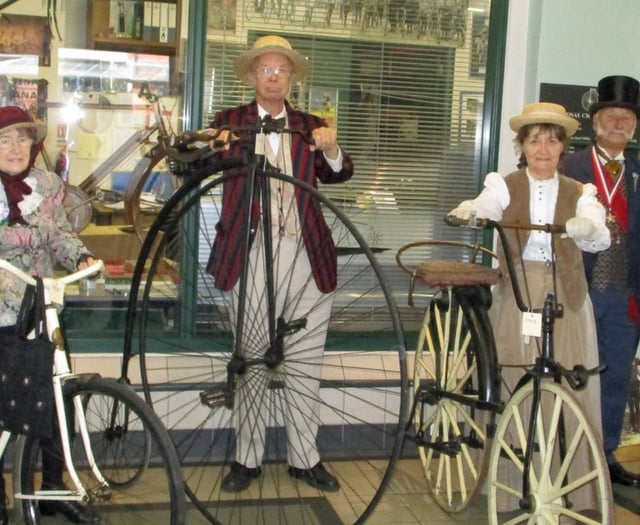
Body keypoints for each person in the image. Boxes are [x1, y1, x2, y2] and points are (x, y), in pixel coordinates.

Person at [204, 35, 354, 493]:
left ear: (292, 78)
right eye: (265, 69)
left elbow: (339, 172)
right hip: (249, 252)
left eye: (282, 70)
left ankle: (305, 458)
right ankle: (246, 460)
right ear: (251, 77)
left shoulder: (312, 124)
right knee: (248, 360)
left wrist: (330, 147)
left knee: (306, 361)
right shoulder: (228, 121)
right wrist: (217, 145)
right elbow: (201, 168)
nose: (273, 76)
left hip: (306, 253)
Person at [448, 102, 610, 508]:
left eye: (552, 142)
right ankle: (510, 485)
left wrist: (587, 226)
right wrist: (473, 211)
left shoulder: (579, 191)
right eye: (535, 140)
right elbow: (486, 207)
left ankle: (569, 487)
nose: (543, 149)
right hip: (518, 292)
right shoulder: (505, 184)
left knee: (567, 381)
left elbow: (598, 232)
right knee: (514, 378)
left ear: (563, 149)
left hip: (567, 295)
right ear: (522, 145)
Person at [0, 106, 100, 524]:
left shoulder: (46, 185)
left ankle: (55, 490)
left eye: (22, 138)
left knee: (57, 399)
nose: (15, 147)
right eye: (4, 139)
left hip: (42, 304)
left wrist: (79, 256)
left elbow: (59, 232)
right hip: (1, 310)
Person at [563, 74, 640, 488]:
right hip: (580, 289)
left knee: (614, 376)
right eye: (611, 116)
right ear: (596, 123)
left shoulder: (639, 172)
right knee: (574, 371)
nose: (618, 124)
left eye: (626, 118)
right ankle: (570, 452)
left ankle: (606, 453)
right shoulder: (569, 166)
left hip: (624, 297)